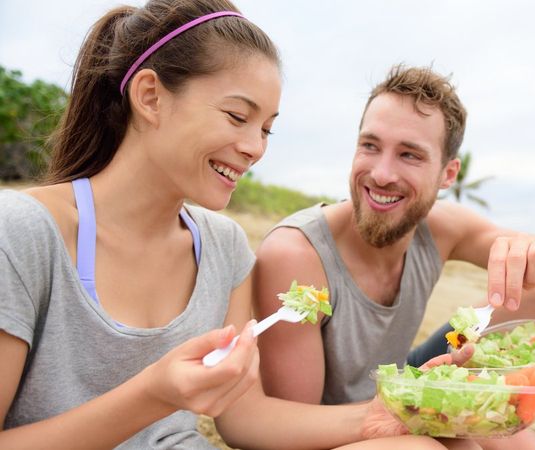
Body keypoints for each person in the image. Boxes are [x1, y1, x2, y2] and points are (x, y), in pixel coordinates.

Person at [0, 3, 477, 449]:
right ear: (150, 97)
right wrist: (155, 393)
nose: (255, 148)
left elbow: (244, 419)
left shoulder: (222, 245)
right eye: (237, 117)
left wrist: (385, 413)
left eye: (266, 128)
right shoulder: (23, 232)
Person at [255, 65, 535, 449]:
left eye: (409, 155)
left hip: (404, 374)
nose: (381, 173)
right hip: (338, 423)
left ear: (448, 175)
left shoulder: (441, 227)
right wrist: (431, 407)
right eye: (370, 146)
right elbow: (294, 429)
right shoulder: (297, 255)